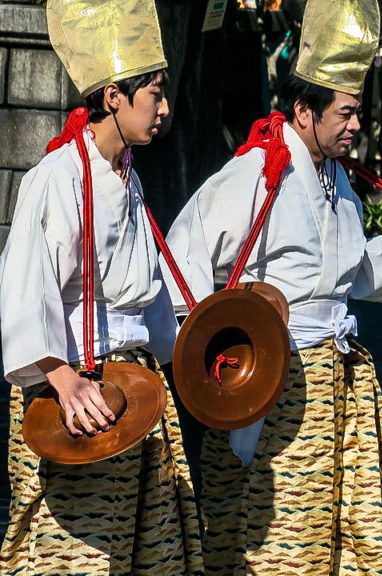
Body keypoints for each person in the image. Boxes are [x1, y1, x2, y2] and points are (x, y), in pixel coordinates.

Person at [162, 0, 382, 574]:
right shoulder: (254, 173)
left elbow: (351, 272)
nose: (357, 125)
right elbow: (186, 260)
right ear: (304, 110)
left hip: (343, 379)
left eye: (358, 112)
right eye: (347, 113)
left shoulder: (338, 180)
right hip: (273, 377)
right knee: (285, 531)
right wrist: (218, 343)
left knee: (362, 525)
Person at [0, 0, 202, 574]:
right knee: (72, 556)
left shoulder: (129, 177)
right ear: (114, 95)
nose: (164, 108)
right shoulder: (54, 177)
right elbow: (23, 286)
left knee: (151, 551)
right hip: (75, 389)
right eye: (154, 94)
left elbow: (148, 296)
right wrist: (62, 379)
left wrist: (185, 361)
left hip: (137, 385)